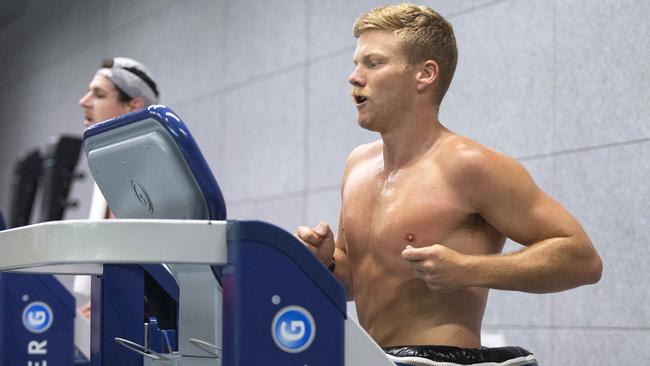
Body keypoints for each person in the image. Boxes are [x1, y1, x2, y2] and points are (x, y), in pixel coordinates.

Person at [296, 4, 602, 365]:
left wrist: (469, 270)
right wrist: (326, 264)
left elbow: (583, 260)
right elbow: (358, 284)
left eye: (373, 63)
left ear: (425, 75)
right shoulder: (356, 166)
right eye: (355, 63)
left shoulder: (469, 166)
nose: (354, 77)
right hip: (372, 358)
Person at [75, 57, 160, 318]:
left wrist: (117, 307)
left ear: (133, 107)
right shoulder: (106, 168)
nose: (84, 101)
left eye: (98, 94)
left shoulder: (155, 173)